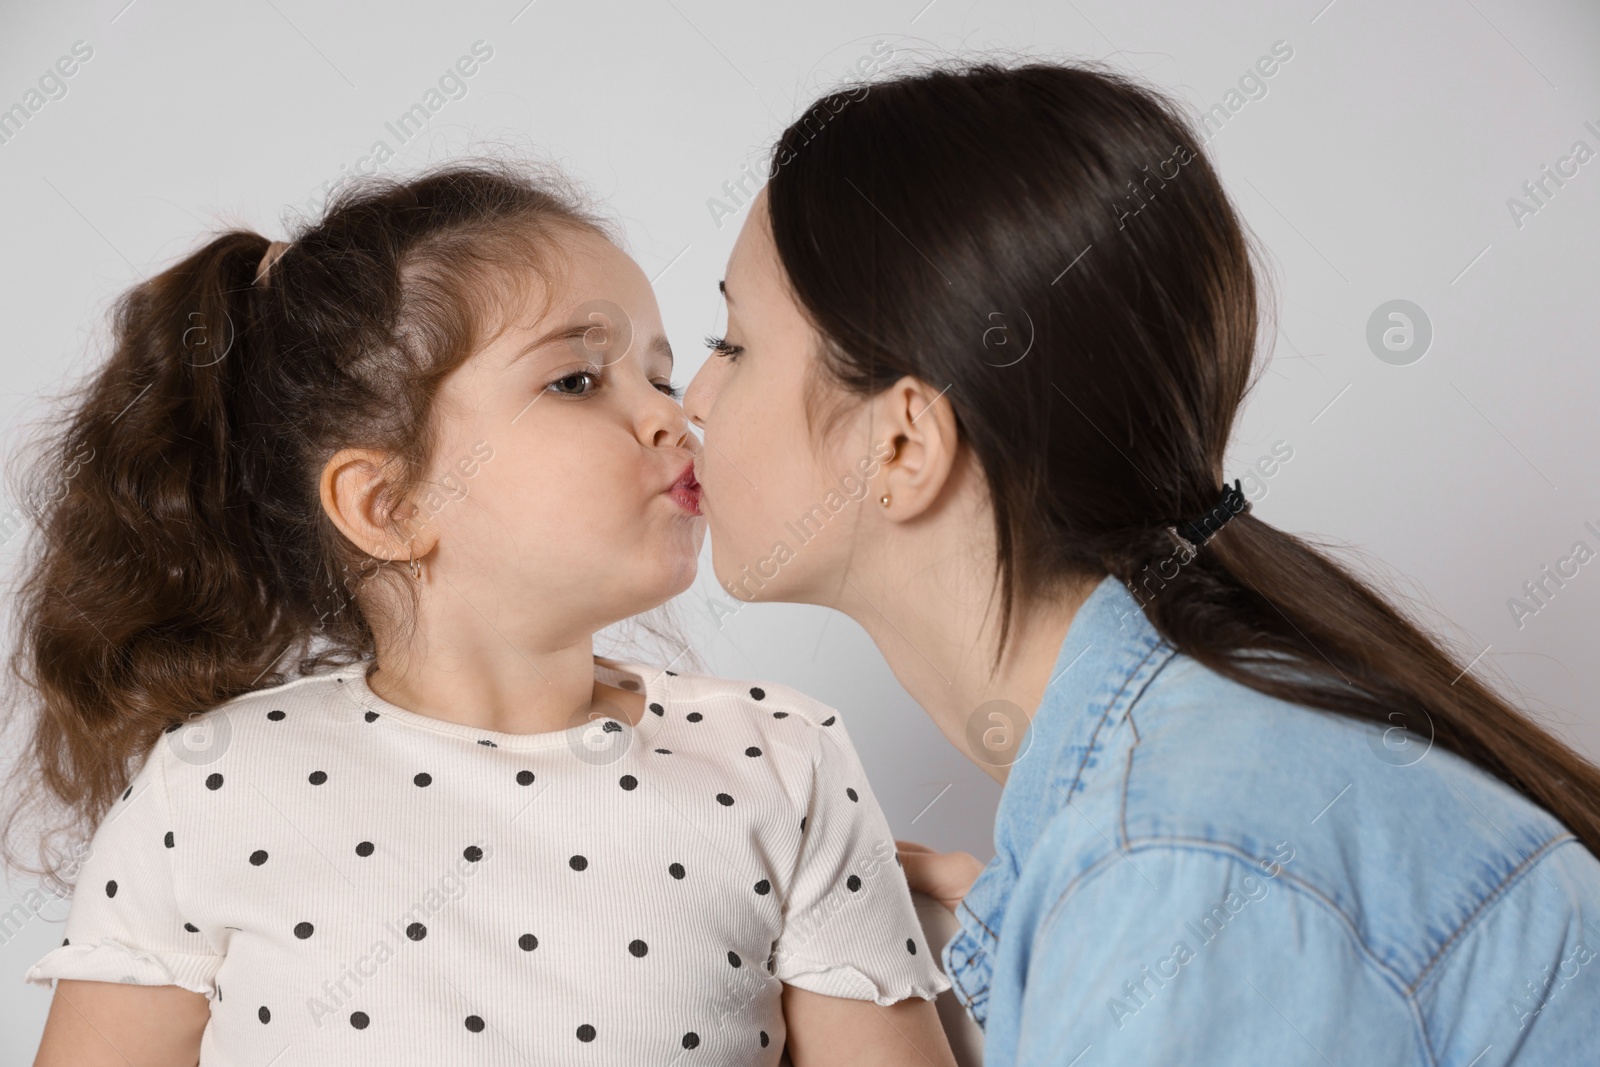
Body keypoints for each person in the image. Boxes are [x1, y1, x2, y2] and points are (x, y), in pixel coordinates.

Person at [682, 59, 1600, 1065]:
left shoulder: (1176, 854)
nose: (688, 399)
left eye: (733, 344)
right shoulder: (1184, 815)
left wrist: (1116, 906)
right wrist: (1035, 922)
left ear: (902, 443)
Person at [7, 159, 957, 1067]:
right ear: (389, 506)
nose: (675, 417)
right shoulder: (209, 788)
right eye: (577, 380)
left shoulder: (784, 760)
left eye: (661, 375)